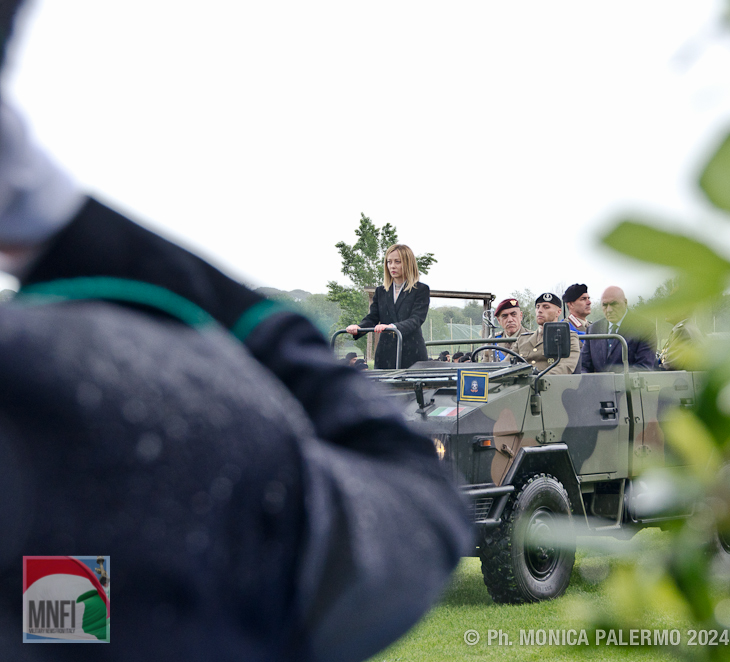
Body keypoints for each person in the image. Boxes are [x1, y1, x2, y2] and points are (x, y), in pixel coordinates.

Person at [0, 4, 469, 658]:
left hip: (408, 355)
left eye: (396, 261)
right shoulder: (80, 407)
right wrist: (67, 227)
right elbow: (413, 506)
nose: (391, 268)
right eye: (386, 262)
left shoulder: (416, 290)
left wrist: (388, 322)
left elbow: (411, 322)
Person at [347, 244, 430, 369]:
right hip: (385, 353)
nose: (392, 266)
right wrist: (359, 327)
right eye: (389, 262)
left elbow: (416, 319)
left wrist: (392, 327)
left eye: (397, 262)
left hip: (412, 353)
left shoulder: (420, 289)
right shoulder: (381, 291)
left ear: (408, 263)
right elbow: (373, 317)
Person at [580, 286, 656, 372]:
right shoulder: (593, 329)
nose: (609, 310)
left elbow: (644, 367)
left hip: (630, 381)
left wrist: (615, 379)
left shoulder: (644, 328)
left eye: (614, 304)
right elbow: (584, 366)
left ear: (625, 303)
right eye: (605, 305)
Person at [513, 292, 580, 374]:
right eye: (537, 307)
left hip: (552, 381)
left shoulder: (568, 337)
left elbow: (566, 367)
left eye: (546, 307)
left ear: (558, 312)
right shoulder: (523, 339)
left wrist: (538, 378)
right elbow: (506, 364)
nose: (540, 311)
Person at [490, 297, 528, 362]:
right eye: (504, 316)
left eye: (514, 315)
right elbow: (484, 364)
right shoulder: (493, 341)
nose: (510, 320)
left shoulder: (531, 338)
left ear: (520, 316)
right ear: (499, 320)